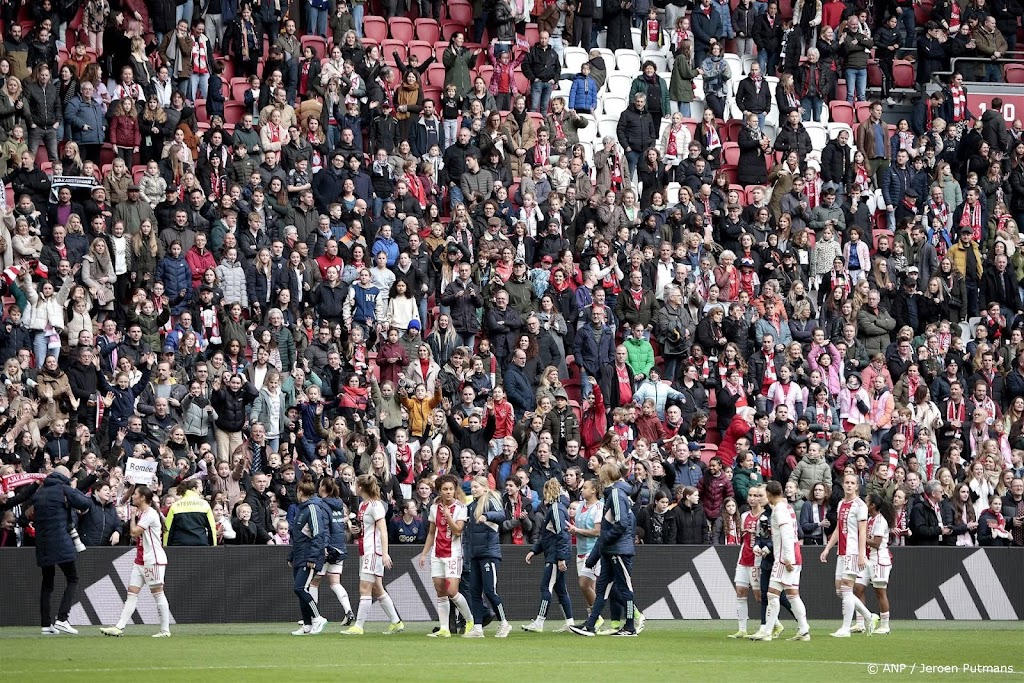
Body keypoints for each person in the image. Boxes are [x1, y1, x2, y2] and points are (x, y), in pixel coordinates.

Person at [570, 462, 641, 637]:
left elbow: (621, 523)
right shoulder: (614, 494)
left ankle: (630, 626)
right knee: (602, 589)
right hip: (612, 549)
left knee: (624, 588)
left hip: (618, 550)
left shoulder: (616, 494)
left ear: (606, 476)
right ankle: (591, 625)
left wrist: (605, 542)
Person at [100, 485, 172, 638]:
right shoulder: (144, 513)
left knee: (158, 594)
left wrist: (132, 517)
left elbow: (134, 533)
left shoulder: (150, 514)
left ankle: (165, 630)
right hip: (140, 560)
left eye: (135, 495)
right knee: (132, 593)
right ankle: (119, 626)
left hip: (154, 559)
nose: (132, 497)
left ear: (143, 498)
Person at [341, 475, 404, 635]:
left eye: (356, 484)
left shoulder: (375, 506)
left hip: (373, 552)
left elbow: (383, 531)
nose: (353, 486)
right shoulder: (363, 504)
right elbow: (366, 529)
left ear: (361, 487)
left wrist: (384, 553)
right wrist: (356, 530)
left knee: (364, 588)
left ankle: (358, 626)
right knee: (377, 588)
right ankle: (396, 622)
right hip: (364, 549)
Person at [749, 480, 810, 642]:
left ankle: (767, 632)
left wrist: (787, 559)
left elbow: (787, 534)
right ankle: (804, 630)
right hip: (793, 555)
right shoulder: (788, 507)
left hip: (785, 557)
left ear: (769, 494)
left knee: (772, 595)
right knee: (792, 594)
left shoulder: (779, 510)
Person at [34, 466, 92, 635]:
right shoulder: (63, 489)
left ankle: (46, 625)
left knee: (47, 583)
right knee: (73, 578)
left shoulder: (39, 492)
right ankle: (62, 619)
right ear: (65, 476)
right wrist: (73, 491)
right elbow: (85, 503)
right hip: (60, 541)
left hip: (42, 543)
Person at [819, 472, 878, 638]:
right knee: (841, 591)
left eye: (853, 483)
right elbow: (838, 528)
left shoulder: (860, 506)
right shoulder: (841, 504)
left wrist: (861, 554)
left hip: (853, 551)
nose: (850, 485)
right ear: (843, 484)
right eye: (847, 482)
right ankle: (868, 616)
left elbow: (862, 531)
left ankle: (845, 628)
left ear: (857, 486)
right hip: (842, 552)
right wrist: (828, 548)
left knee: (846, 589)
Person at [417, 474, 473, 638]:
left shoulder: (461, 507)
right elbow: (431, 533)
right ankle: (444, 628)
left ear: (455, 490)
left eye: (451, 489)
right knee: (440, 591)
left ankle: (469, 620)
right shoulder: (434, 508)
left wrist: (448, 515)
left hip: (453, 554)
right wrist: (424, 554)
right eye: (445, 489)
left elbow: (457, 531)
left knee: (452, 590)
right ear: (440, 491)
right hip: (437, 554)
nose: (448, 492)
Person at [522, 478, 574, 633]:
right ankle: (570, 623)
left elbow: (561, 534)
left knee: (546, 586)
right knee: (560, 589)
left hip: (554, 556)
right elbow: (549, 535)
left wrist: (560, 558)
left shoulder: (556, 509)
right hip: (556, 553)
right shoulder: (558, 508)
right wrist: (535, 550)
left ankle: (539, 622)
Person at [464, 476, 511, 638]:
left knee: (490, 590)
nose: (473, 489)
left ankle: (504, 623)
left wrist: (487, 516)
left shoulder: (491, 500)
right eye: (472, 486)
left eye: (476, 486)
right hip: (475, 555)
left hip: (489, 554)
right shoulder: (471, 506)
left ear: (485, 488)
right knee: (475, 591)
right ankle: (478, 628)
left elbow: (501, 515)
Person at [308, 478, 355, 627]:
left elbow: (325, 528)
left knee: (314, 582)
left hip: (327, 548)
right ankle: (348, 610)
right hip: (340, 546)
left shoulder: (322, 505)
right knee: (335, 582)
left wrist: (324, 547)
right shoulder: (339, 503)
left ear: (322, 488)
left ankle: (313, 616)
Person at [288, 477, 330, 636]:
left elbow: (318, 535)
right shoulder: (302, 509)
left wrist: (312, 558)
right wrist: (292, 556)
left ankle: (318, 618)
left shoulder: (312, 509)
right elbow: (299, 536)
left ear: (300, 491)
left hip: (308, 557)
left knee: (300, 588)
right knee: (301, 589)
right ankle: (306, 625)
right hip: (299, 556)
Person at [853, 493, 895, 635]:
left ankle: (885, 625)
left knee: (880, 592)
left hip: (879, 560)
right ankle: (860, 622)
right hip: (868, 559)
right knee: (857, 588)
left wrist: (861, 537)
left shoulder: (880, 521)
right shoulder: (870, 519)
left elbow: (876, 543)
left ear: (872, 506)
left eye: (866, 501)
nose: (864, 503)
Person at [728, 485, 765, 639]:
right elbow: (744, 539)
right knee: (740, 592)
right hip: (744, 558)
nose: (752, 498)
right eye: (750, 495)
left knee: (759, 597)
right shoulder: (744, 516)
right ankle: (742, 629)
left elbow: (766, 538)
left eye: (755, 495)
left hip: (757, 561)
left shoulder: (764, 517)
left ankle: (772, 624)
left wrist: (755, 533)